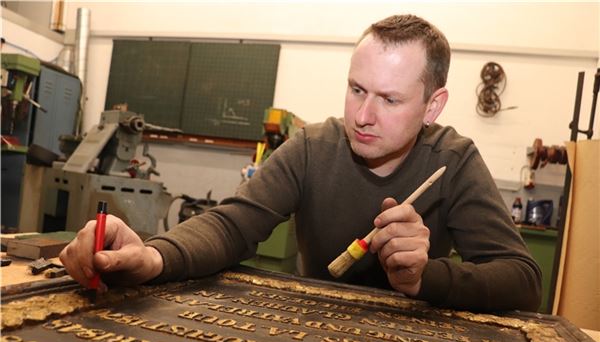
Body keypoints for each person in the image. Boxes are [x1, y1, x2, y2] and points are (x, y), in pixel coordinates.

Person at [60, 14, 541, 312]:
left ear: (432, 106)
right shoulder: (313, 147)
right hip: (313, 339)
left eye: (390, 99)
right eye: (357, 90)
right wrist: (153, 255)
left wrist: (425, 278)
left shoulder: (454, 161)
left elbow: (521, 280)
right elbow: (231, 225)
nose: (363, 116)